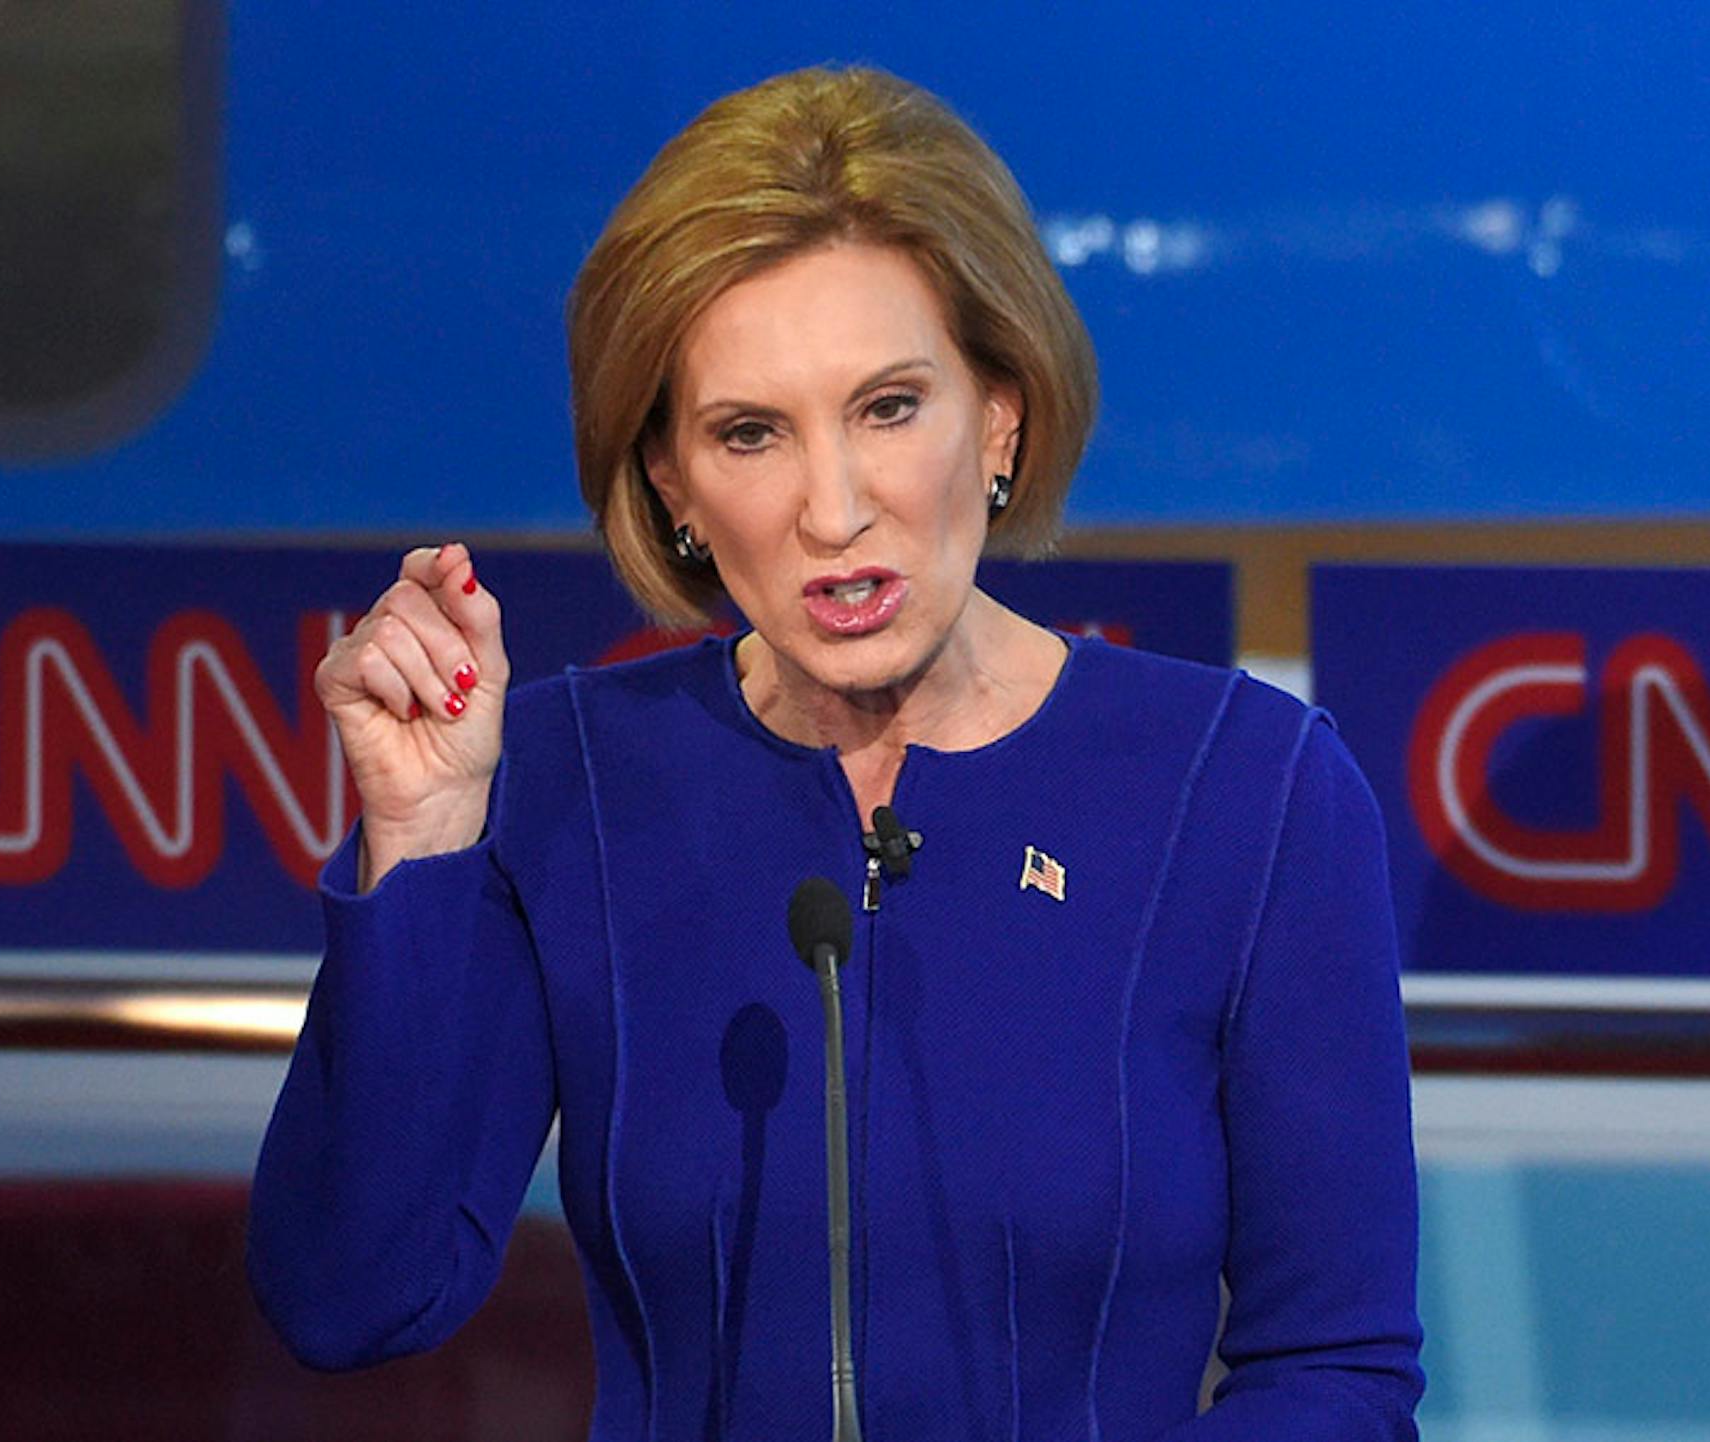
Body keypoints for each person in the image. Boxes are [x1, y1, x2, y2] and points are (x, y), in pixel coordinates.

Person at [248, 66, 1423, 1439]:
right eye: (751, 432)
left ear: (1000, 413)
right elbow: (355, 1295)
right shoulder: (564, 780)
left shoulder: (1246, 789)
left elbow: (1336, 1370)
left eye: (888, 408)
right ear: (674, 485)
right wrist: (423, 843)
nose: (835, 508)